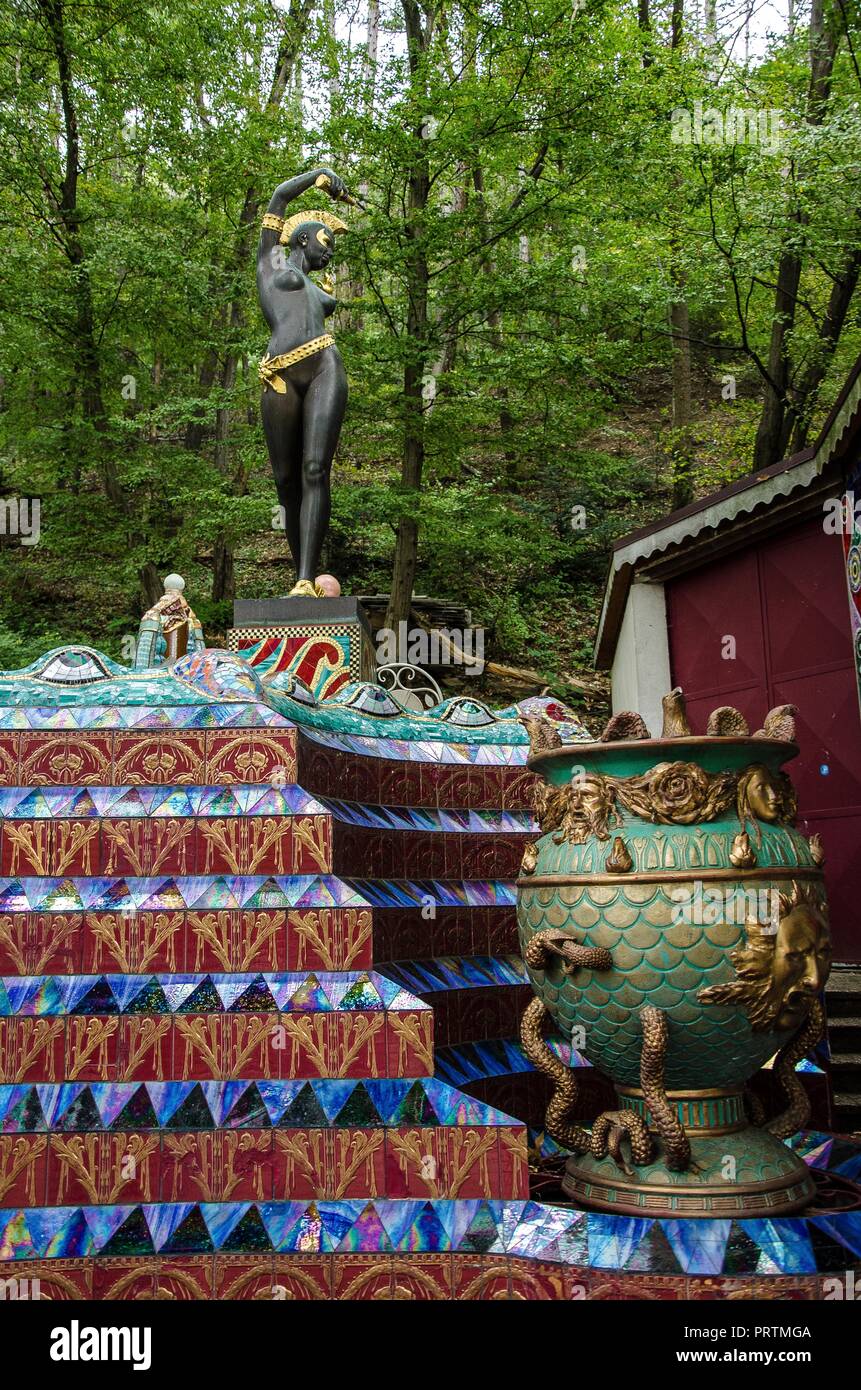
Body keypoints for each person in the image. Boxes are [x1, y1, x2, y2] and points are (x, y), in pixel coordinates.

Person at [257, 168, 351, 597]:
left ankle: (304, 579)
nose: (329, 251)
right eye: (325, 242)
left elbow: (330, 301)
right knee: (284, 479)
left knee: (315, 468)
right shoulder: (272, 262)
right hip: (279, 372)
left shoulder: (317, 290)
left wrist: (327, 286)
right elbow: (279, 195)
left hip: (323, 364)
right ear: (302, 238)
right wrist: (318, 176)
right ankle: (301, 575)